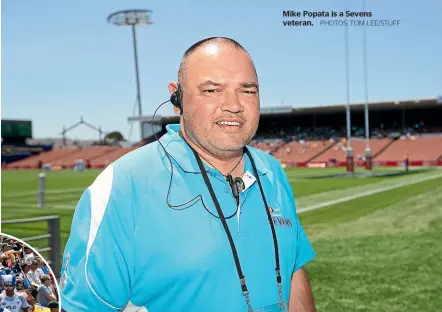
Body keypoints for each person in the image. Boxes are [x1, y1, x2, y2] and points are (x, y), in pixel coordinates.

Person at [59, 37, 316, 312]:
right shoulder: (124, 184)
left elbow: (292, 271)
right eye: (211, 90)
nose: (234, 104)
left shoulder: (272, 171)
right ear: (177, 98)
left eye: (248, 90)